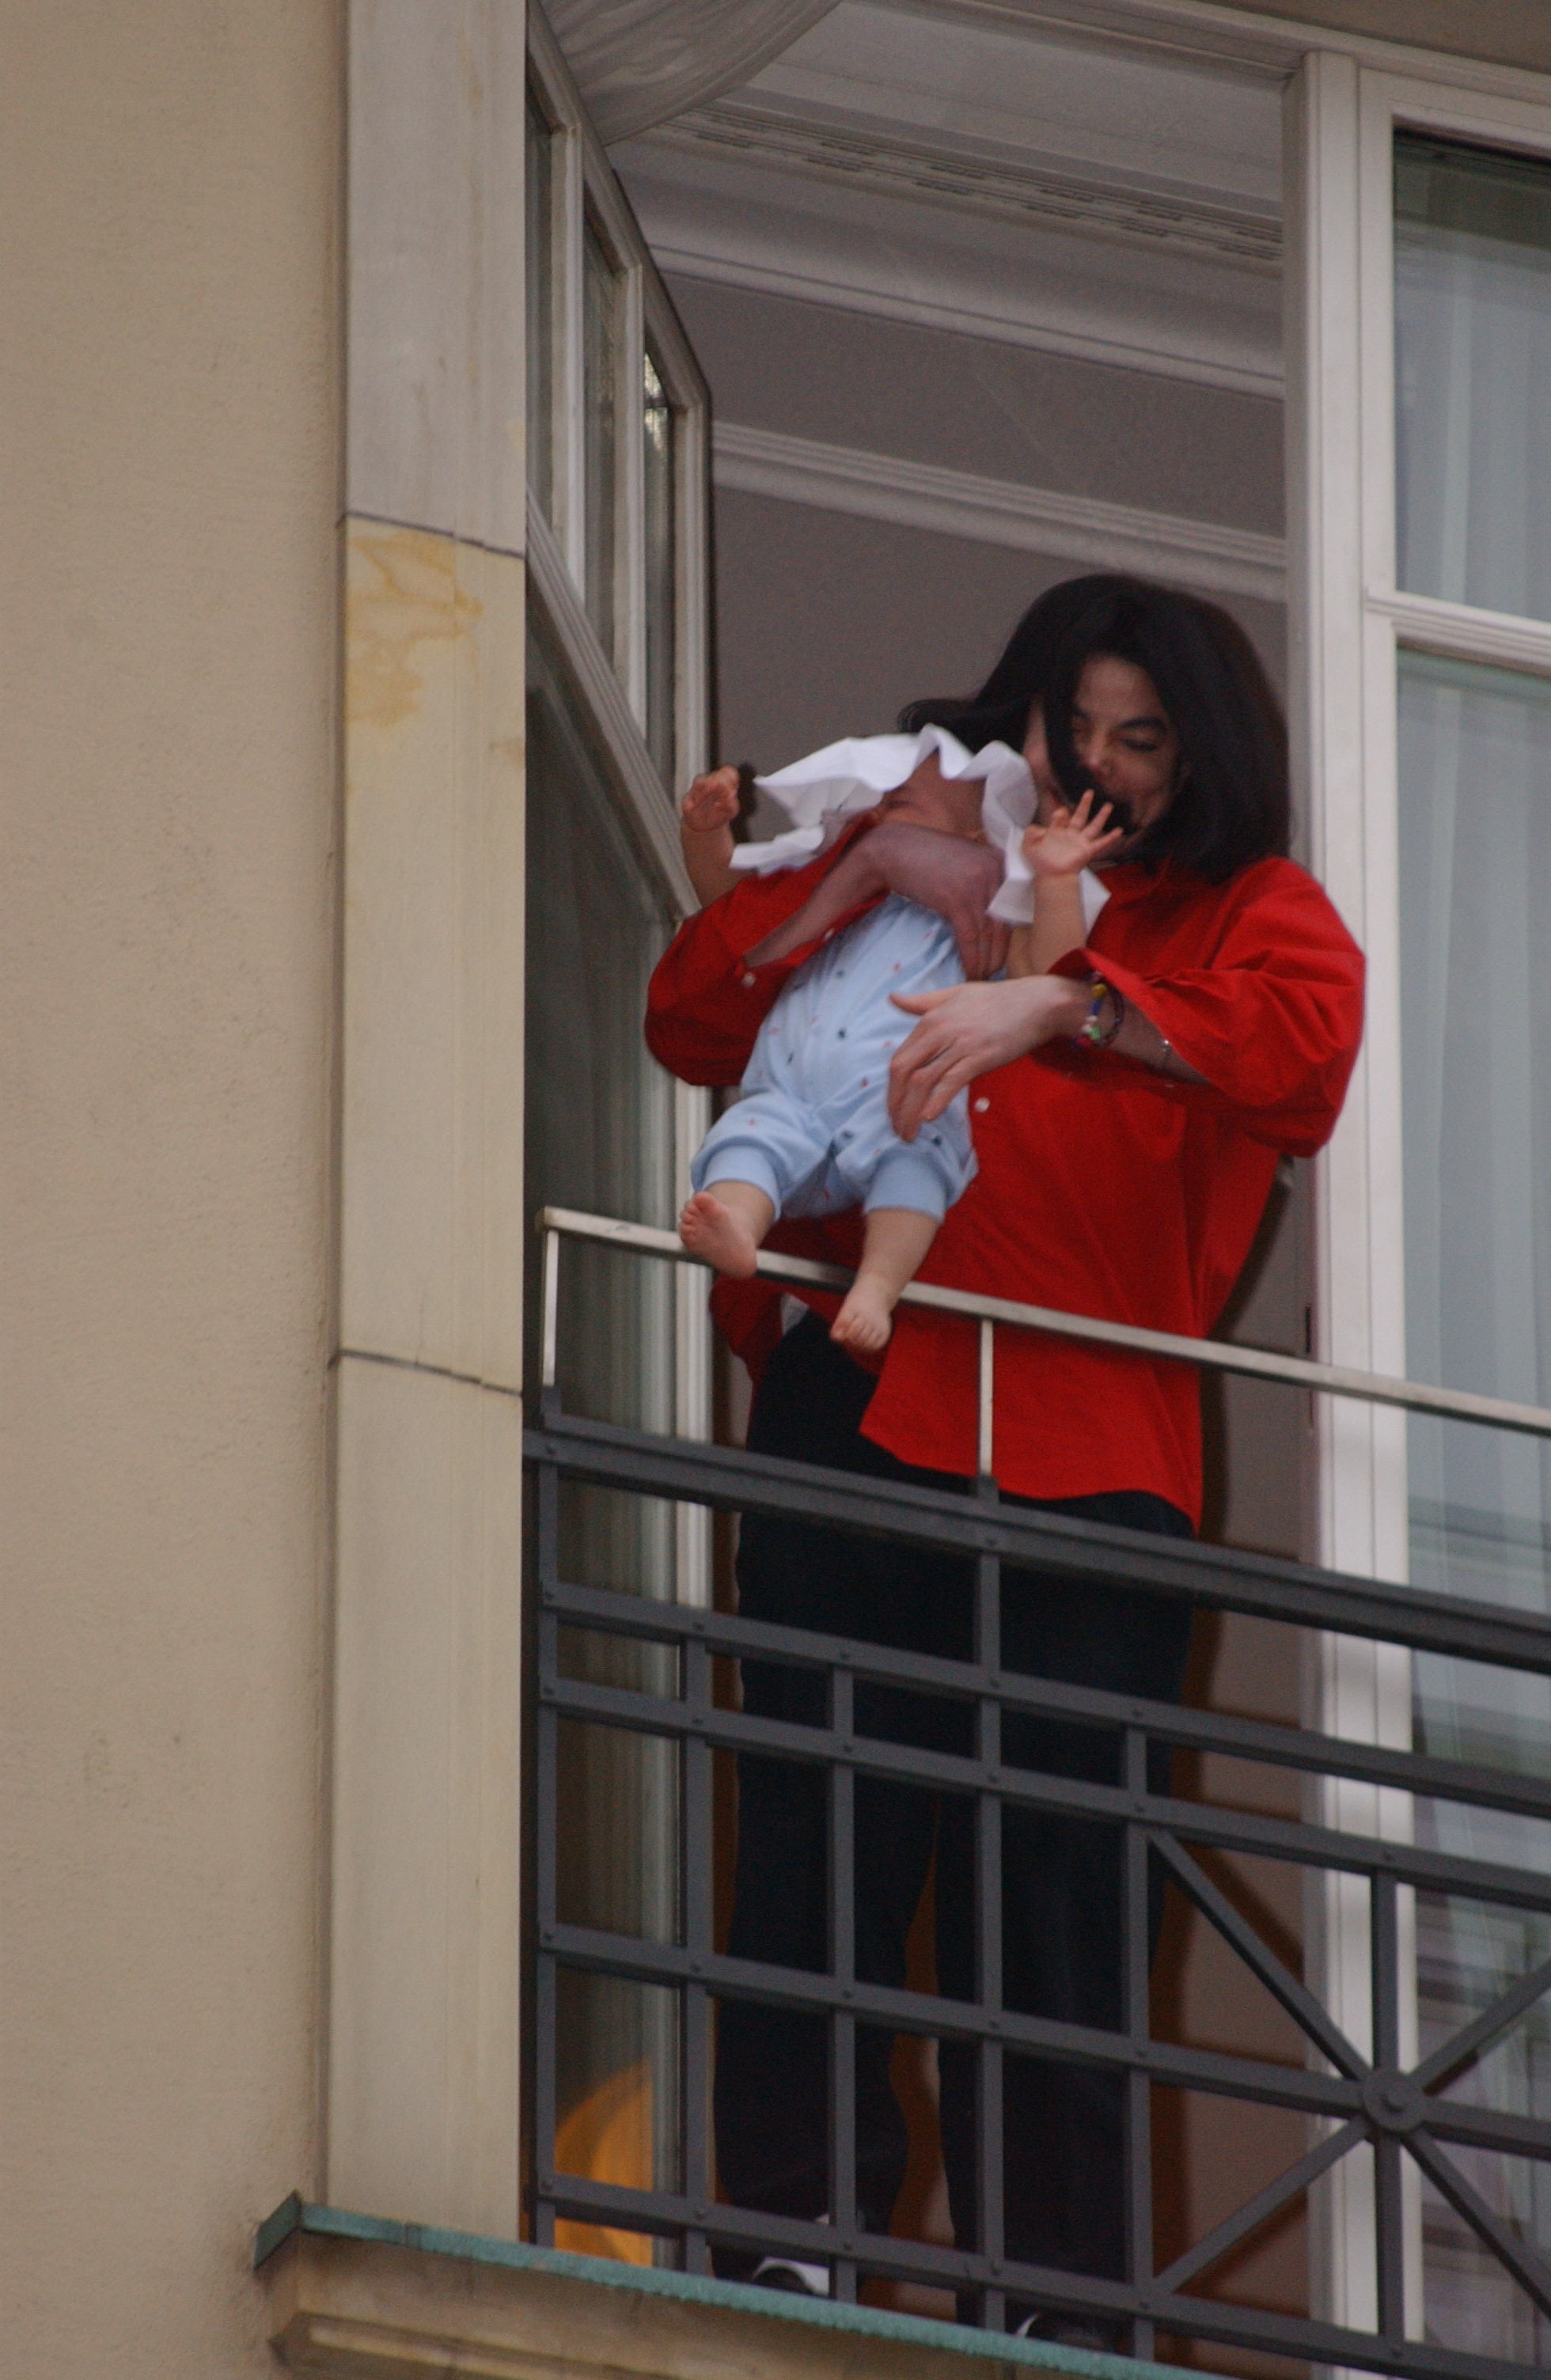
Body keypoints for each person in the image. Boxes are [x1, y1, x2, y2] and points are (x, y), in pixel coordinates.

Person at [645, 575, 1365, 2345]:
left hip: (1087, 1446)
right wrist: (861, 876)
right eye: (1076, 728)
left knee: (1057, 1880)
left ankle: (1055, 2298)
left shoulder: (1243, 910)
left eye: (1145, 738)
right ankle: (783, 2235)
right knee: (814, 1827)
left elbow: (1296, 1054)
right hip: (859, 1392)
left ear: (1198, 757)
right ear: (1019, 717)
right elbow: (689, 1018)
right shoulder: (935, 824)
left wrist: (1065, 1001)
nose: (1104, 768)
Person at [675, 728, 1120, 1351]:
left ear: (978, 827)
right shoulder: (839, 889)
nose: (885, 801)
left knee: (920, 1161)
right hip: (787, 1094)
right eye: (878, 798)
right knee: (746, 1139)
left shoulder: (993, 908)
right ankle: (739, 1232)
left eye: (911, 788)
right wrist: (706, 836)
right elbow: (730, 911)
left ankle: (877, 1289)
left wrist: (1052, 881)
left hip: (903, 1100)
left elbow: (1047, 976)